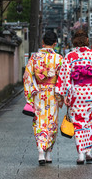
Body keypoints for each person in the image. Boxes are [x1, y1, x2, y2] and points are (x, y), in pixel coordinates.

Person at [55, 30, 92, 164]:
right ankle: (88, 151)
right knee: (90, 121)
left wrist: (65, 94)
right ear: (87, 40)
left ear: (74, 41)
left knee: (78, 122)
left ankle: (81, 155)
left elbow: (65, 76)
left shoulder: (70, 56)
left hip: (76, 93)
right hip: (91, 92)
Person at [23, 31, 63, 165]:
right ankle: (49, 154)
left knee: (39, 121)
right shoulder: (59, 58)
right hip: (52, 94)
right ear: (55, 43)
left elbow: (27, 77)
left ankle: (41, 150)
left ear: (42, 42)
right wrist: (61, 97)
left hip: (38, 94)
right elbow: (63, 80)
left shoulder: (34, 58)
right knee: (52, 122)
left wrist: (30, 95)